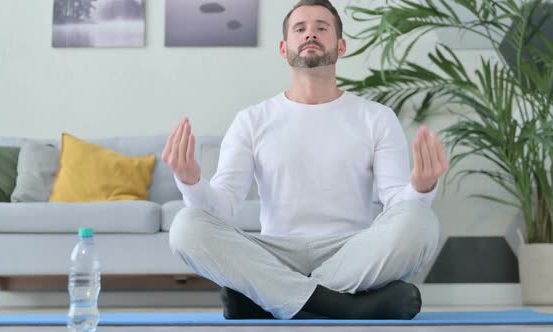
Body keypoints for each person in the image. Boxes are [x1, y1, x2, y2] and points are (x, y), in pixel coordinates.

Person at [162, 0, 448, 320]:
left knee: (421, 222)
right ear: (284, 49)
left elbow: (398, 206)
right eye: (300, 28)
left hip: (352, 253)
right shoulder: (251, 120)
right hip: (275, 254)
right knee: (186, 226)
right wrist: (189, 182)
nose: (310, 33)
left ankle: (270, 299)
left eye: (321, 28)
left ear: (341, 46)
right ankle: (340, 305)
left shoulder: (376, 118)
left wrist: (421, 188)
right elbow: (223, 206)